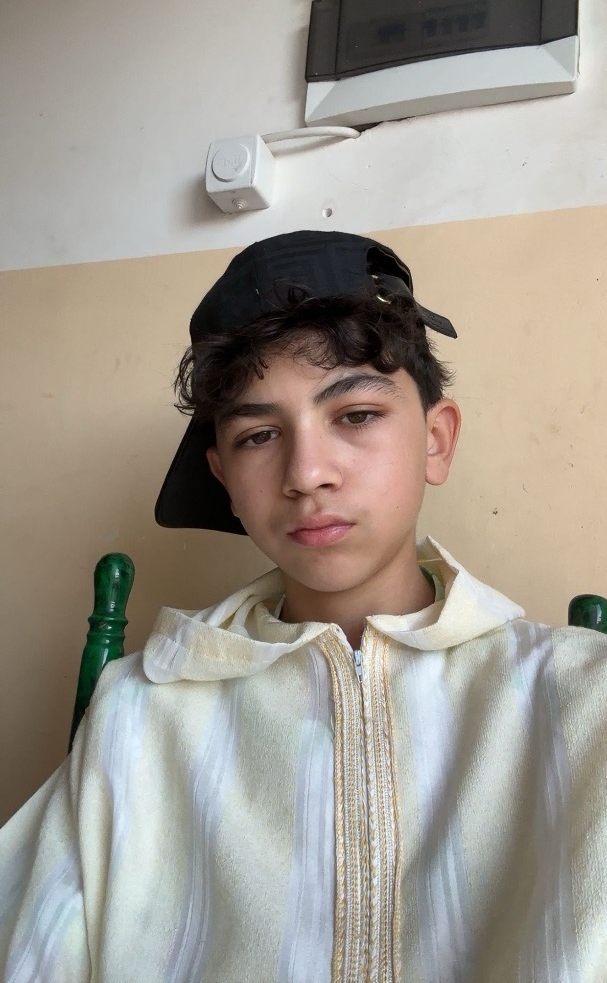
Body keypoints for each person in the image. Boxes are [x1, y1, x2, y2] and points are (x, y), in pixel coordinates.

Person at [1, 229, 606, 983]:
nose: (306, 472)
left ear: (435, 440)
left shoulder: (582, 695)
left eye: (355, 414)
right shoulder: (139, 715)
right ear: (222, 476)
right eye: (259, 434)